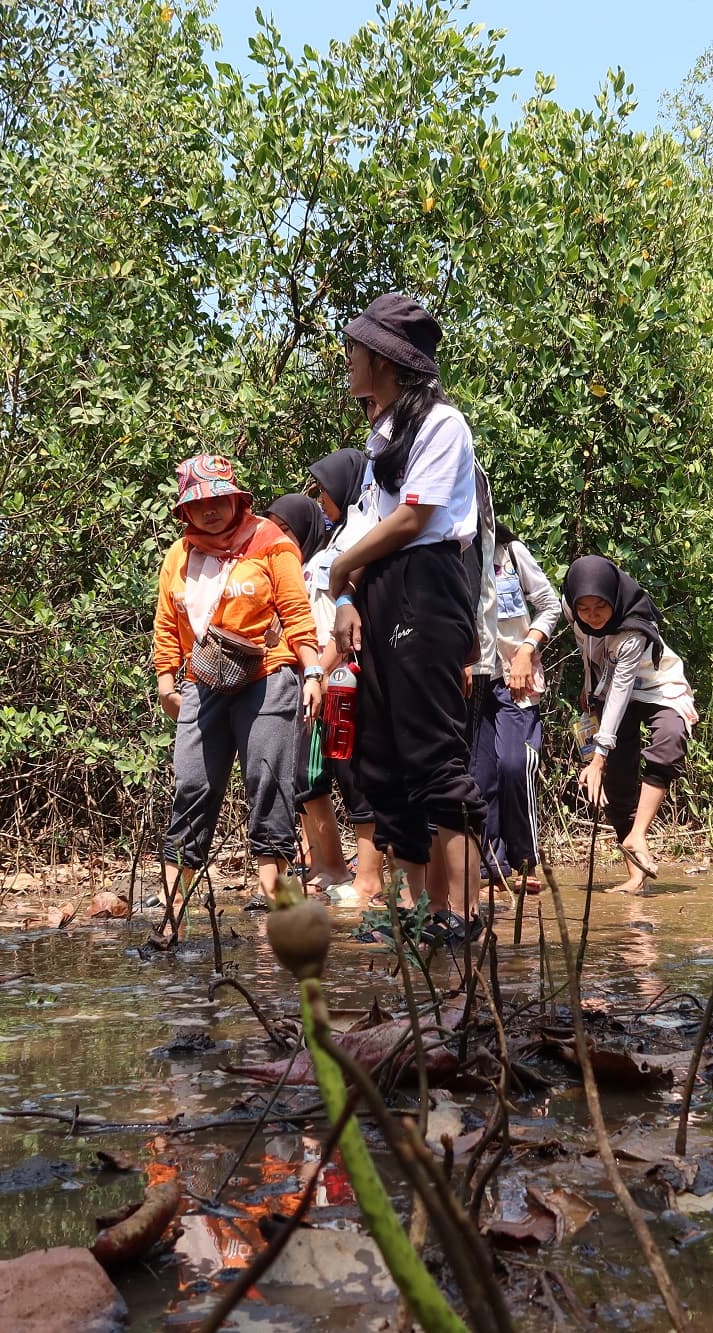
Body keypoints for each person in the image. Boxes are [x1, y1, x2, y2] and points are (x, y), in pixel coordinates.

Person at [325, 292, 486, 945]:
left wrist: (340, 573)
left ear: (387, 361)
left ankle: (465, 916)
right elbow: (363, 528)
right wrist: (341, 598)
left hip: (426, 583)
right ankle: (424, 910)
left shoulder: (443, 423)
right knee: (383, 758)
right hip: (381, 589)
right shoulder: (382, 436)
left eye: (355, 351)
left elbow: (414, 517)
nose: (348, 361)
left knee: (434, 755)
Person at [152, 455, 322, 933]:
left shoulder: (271, 541)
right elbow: (168, 623)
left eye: (218, 499)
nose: (210, 509)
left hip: (267, 676)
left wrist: (311, 672)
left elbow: (295, 609)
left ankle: (280, 911)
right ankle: (172, 918)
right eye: (199, 502)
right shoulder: (179, 555)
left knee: (269, 785)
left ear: (235, 498)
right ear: (186, 510)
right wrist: (167, 681)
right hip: (203, 682)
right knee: (192, 788)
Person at [265, 488, 381, 905]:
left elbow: (337, 629)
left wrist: (322, 671)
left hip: (336, 686)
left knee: (349, 778)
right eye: (272, 529)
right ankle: (326, 864)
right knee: (306, 778)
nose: (278, 538)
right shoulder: (291, 570)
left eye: (285, 529)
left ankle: (364, 875)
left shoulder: (326, 564)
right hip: (307, 683)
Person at [565, 556, 698, 894]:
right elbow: (587, 646)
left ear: (614, 599)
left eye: (600, 607)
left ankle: (638, 833)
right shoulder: (573, 612)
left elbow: (624, 691)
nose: (592, 615)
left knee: (669, 739)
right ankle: (636, 875)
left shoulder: (631, 632)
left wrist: (597, 757)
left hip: (656, 688)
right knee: (618, 783)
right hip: (606, 692)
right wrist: (587, 686)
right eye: (584, 608)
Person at [471, 522, 560, 892]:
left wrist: (527, 649)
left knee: (514, 764)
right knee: (479, 775)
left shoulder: (509, 553)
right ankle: (492, 866)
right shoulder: (445, 556)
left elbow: (550, 604)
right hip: (472, 683)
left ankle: (525, 860)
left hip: (514, 680)